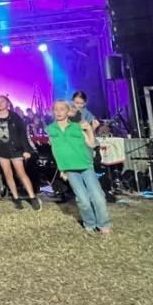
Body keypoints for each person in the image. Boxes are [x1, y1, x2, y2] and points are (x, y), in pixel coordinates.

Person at [48, 100, 113, 234]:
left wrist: (89, 129)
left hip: (85, 165)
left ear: (68, 111)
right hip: (70, 169)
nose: (59, 112)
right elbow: (56, 150)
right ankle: (89, 223)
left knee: (98, 196)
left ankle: (103, 224)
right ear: (53, 111)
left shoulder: (77, 126)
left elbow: (90, 143)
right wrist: (61, 169)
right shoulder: (51, 129)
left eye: (62, 109)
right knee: (82, 199)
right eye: (56, 109)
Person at [0, 95, 41, 211]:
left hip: (15, 149)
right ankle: (16, 198)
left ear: (8, 103)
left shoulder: (14, 117)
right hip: (2, 149)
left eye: (2, 101)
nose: (0, 103)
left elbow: (22, 134)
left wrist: (26, 150)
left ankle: (32, 197)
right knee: (8, 174)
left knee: (21, 173)